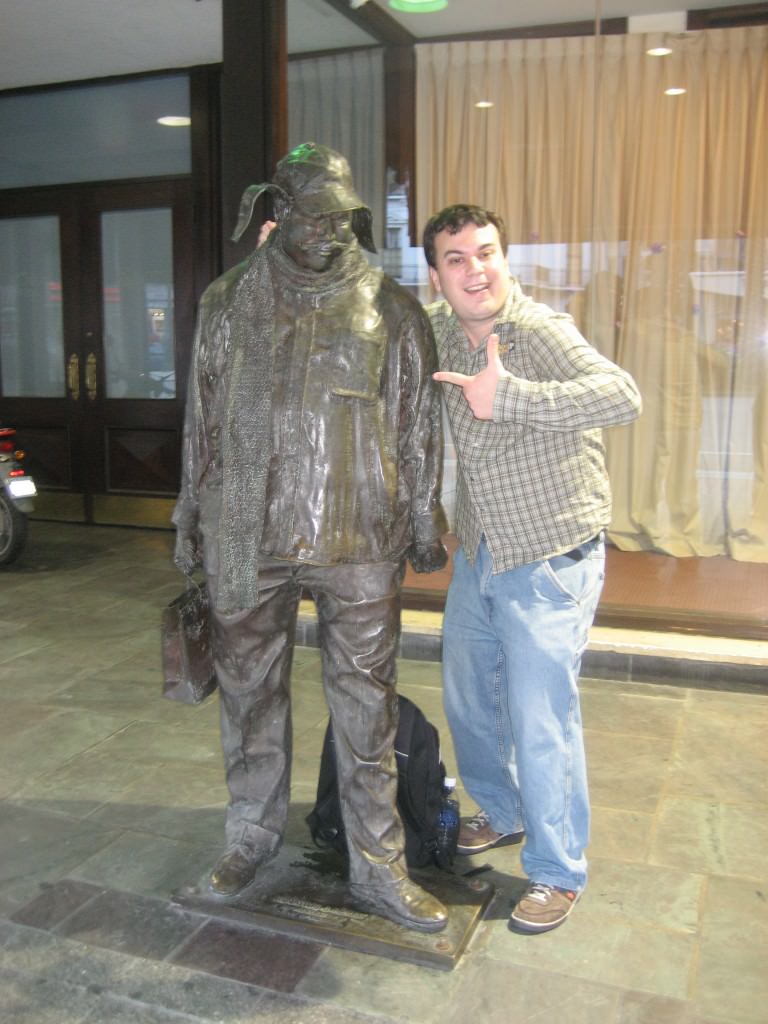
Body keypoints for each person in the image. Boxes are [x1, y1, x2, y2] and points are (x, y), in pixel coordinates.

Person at [172, 143, 449, 934]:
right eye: (315, 215)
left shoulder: (389, 308)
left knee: (368, 713)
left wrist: (424, 516)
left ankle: (379, 866)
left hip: (360, 534)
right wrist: (190, 510)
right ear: (277, 213)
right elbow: (203, 416)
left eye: (343, 216)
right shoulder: (228, 303)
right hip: (247, 531)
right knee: (249, 698)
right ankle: (251, 838)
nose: (331, 229)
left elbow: (418, 424)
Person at [424, 204, 642, 934]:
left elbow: (621, 394)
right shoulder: (436, 329)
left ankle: (558, 871)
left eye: (486, 253)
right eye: (457, 259)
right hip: (483, 550)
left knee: (539, 714)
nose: (475, 270)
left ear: (504, 260)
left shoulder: (536, 330)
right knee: (468, 698)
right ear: (436, 275)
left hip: (550, 554)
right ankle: (503, 810)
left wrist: (509, 395)